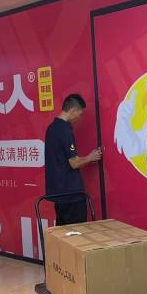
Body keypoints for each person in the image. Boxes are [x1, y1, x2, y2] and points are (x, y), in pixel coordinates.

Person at [44, 94, 102, 225]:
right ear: (72, 111)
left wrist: (86, 159)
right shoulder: (65, 130)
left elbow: (62, 160)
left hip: (59, 195)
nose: (79, 118)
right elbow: (74, 163)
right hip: (71, 194)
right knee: (77, 233)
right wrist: (90, 157)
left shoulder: (51, 128)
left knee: (62, 232)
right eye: (79, 114)